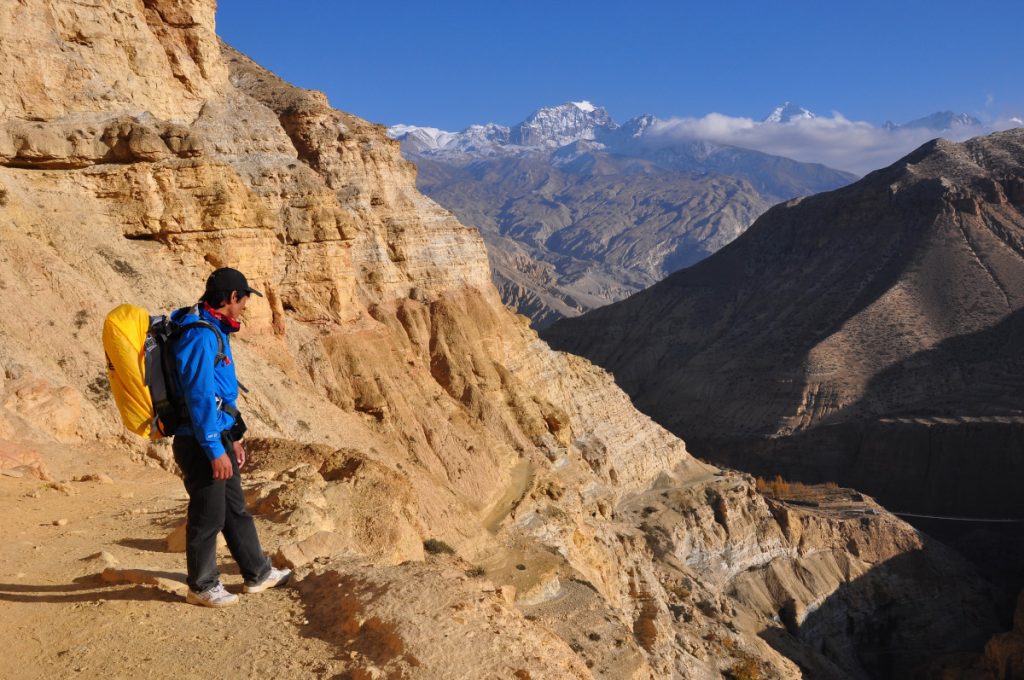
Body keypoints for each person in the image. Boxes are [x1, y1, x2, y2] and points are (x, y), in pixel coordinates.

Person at [170, 267, 291, 607]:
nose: (244, 307)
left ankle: (258, 572)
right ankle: (202, 585)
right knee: (208, 514)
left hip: (217, 435)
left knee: (234, 509)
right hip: (198, 440)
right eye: (243, 300)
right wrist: (213, 448)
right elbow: (199, 396)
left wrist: (232, 438)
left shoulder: (214, 329)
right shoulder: (202, 335)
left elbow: (221, 396)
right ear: (230, 298)